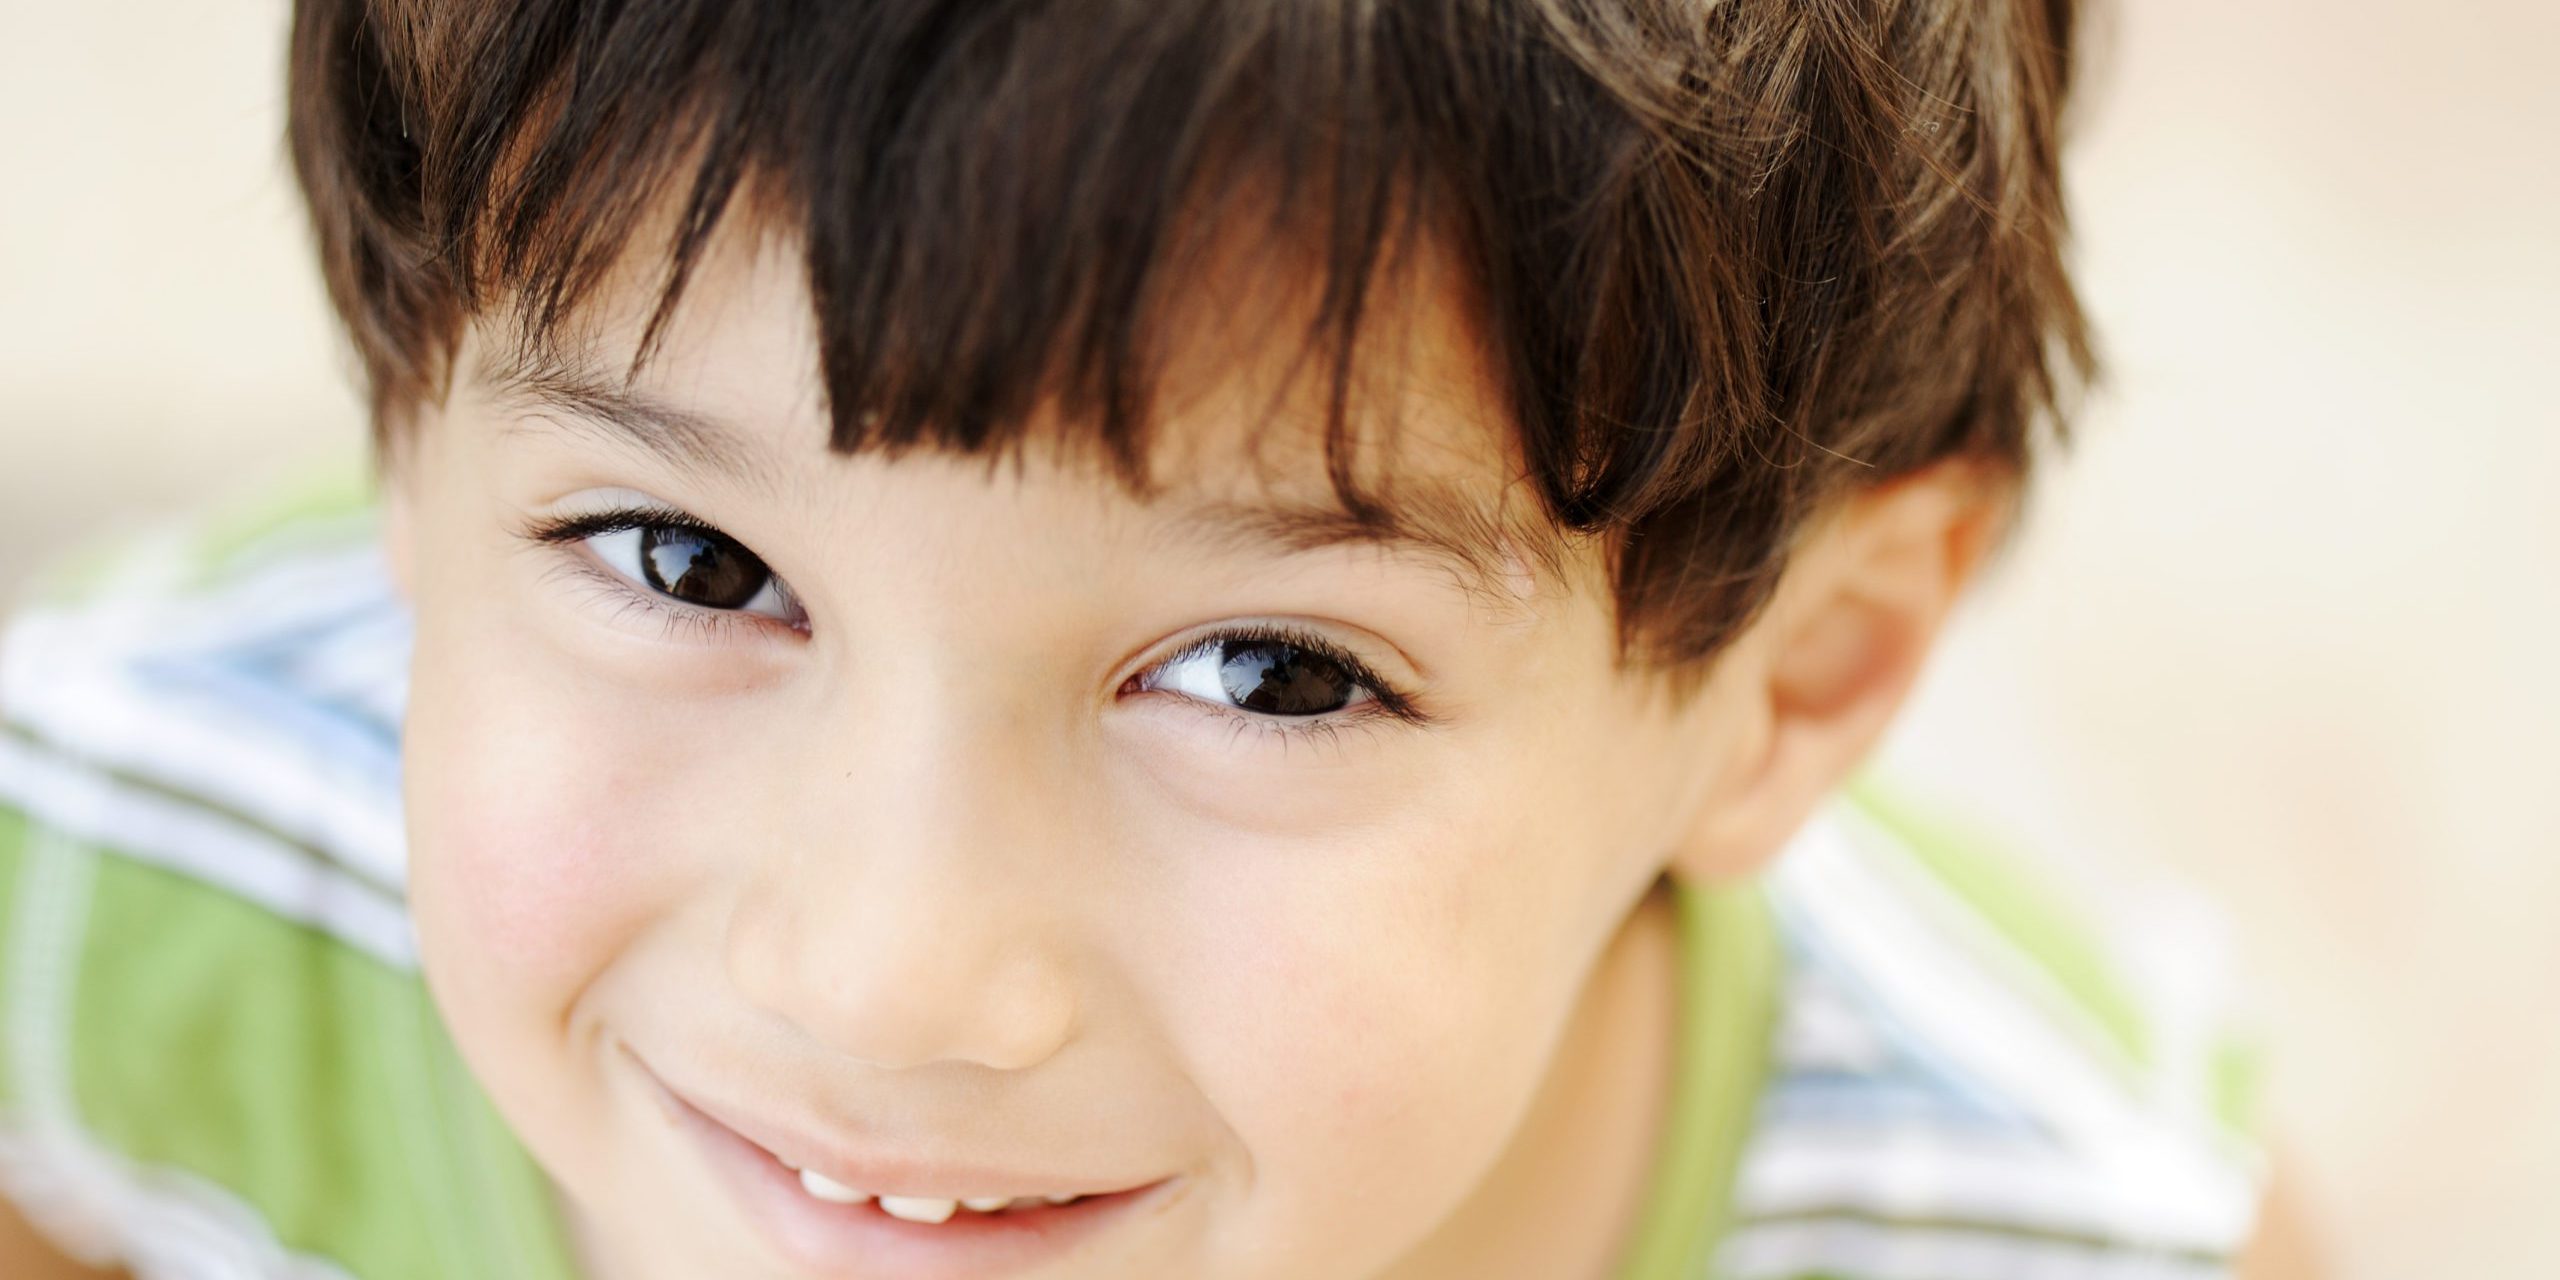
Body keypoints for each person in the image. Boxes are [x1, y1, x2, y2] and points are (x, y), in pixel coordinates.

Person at [0, 0, 2317, 1276]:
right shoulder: (107, 874)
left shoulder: (2040, 1224)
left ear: (1789, 680)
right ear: (407, 440)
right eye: (687, 562)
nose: (882, 970)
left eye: (1269, 672)